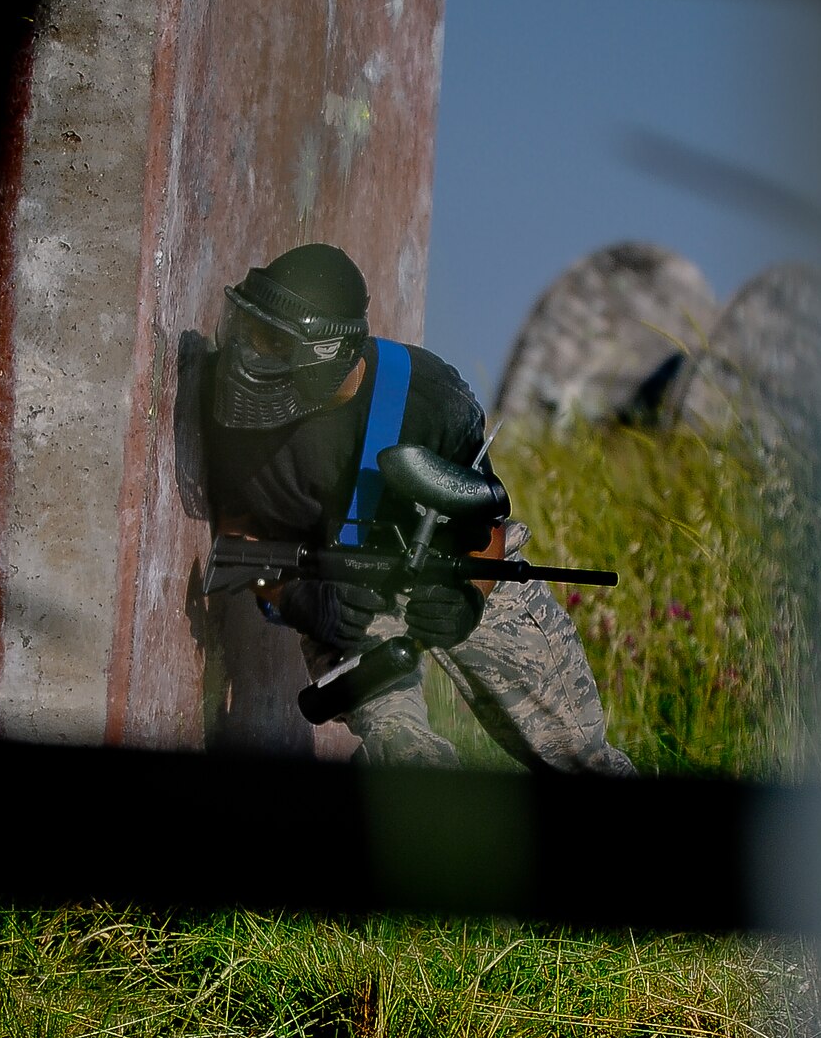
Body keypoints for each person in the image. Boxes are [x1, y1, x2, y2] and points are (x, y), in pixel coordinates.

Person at [202, 241, 635, 775]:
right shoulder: (239, 408)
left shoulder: (430, 399)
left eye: (271, 343)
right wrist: (299, 598)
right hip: (340, 590)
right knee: (404, 755)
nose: (248, 356)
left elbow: (484, 528)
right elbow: (238, 538)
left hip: (456, 570)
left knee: (579, 757)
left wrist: (467, 602)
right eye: (246, 332)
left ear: (324, 352)